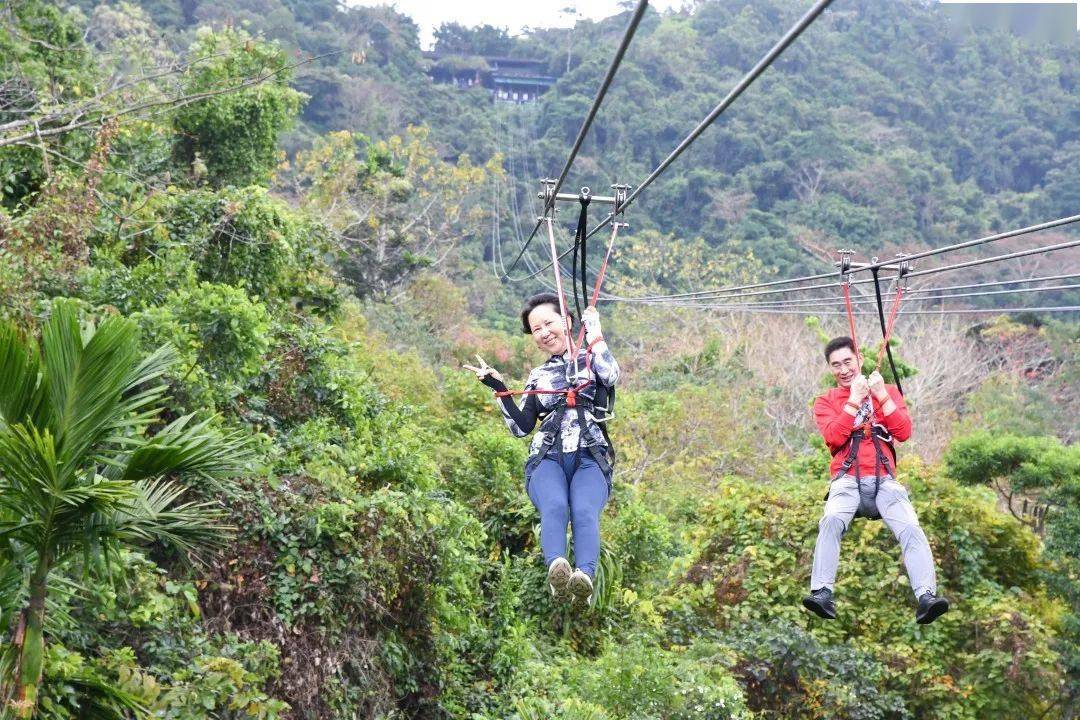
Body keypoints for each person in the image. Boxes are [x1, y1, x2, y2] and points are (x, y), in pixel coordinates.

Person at [463, 293, 618, 604]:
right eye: (536, 329)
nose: (545, 332)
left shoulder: (591, 360)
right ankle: (557, 573)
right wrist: (499, 388)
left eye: (549, 323)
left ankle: (583, 577)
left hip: (591, 455)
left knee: (585, 511)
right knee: (556, 507)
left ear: (568, 322)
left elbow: (612, 375)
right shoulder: (539, 376)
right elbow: (521, 427)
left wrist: (596, 334)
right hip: (547, 457)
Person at [803, 336, 950, 624]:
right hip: (846, 478)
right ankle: (822, 592)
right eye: (836, 365)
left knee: (910, 526)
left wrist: (880, 394)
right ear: (830, 369)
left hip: (884, 479)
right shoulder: (826, 402)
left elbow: (904, 431)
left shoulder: (887, 392)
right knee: (831, 519)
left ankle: (926, 596)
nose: (844, 369)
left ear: (858, 359)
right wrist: (855, 399)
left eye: (847, 362)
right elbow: (833, 436)